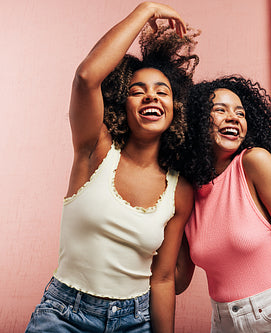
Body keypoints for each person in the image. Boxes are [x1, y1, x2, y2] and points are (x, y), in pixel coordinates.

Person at [25, 2, 198, 332]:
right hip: (63, 315)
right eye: (138, 91)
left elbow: (162, 279)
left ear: (176, 109)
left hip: (135, 321)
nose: (151, 97)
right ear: (124, 103)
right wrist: (145, 10)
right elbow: (87, 77)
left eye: (162, 92)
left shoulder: (180, 189)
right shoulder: (95, 149)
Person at [179, 76, 271, 332]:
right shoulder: (187, 190)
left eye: (240, 113)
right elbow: (176, 281)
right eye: (220, 110)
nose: (233, 117)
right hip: (221, 322)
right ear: (196, 121)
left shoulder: (254, 163)